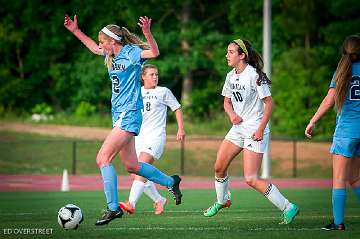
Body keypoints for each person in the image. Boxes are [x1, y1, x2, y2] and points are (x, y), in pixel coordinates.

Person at [64, 14, 182, 226]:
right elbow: (92, 47)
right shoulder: (110, 56)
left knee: (103, 158)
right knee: (132, 166)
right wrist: (75, 31)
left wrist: (147, 33)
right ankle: (170, 181)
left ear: (113, 41)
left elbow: (154, 52)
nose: (100, 45)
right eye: (100, 42)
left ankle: (112, 208)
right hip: (118, 114)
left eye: (103, 42)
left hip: (130, 113)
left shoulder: (131, 53)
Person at [203, 39, 299, 224]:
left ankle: (288, 207)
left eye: (231, 52)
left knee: (251, 178)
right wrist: (232, 115)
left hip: (255, 128)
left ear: (242, 55)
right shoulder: (230, 76)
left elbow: (269, 104)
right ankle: (222, 201)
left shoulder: (254, 75)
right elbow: (226, 102)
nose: (227, 55)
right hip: (238, 128)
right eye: (227, 51)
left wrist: (261, 129)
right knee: (219, 167)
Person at [305, 35, 360, 231]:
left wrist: (312, 121)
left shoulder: (342, 71)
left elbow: (329, 100)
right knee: (354, 178)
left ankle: (338, 223)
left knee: (339, 179)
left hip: (346, 132)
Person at [119, 64, 185, 215]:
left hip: (156, 137)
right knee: (136, 173)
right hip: (138, 137)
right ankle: (159, 199)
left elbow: (177, 108)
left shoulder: (163, 91)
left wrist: (180, 128)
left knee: (141, 166)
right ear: (143, 77)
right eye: (151, 74)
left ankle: (131, 203)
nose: (155, 77)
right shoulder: (137, 92)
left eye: (156, 74)